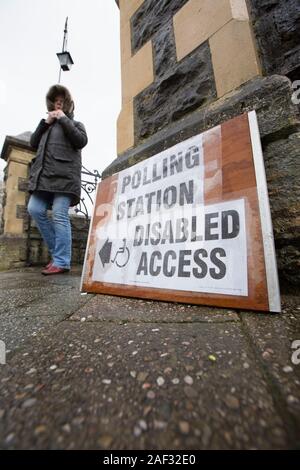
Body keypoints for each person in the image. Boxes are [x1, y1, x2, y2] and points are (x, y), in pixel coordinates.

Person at [28, 84, 88, 275]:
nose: (58, 104)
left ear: (68, 104)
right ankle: (59, 256)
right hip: (44, 178)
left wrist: (63, 119)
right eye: (56, 102)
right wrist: (45, 122)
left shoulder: (76, 124)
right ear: (51, 104)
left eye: (62, 102)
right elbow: (32, 144)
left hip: (65, 178)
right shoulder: (46, 127)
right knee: (34, 209)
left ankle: (61, 261)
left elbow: (81, 141)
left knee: (60, 216)